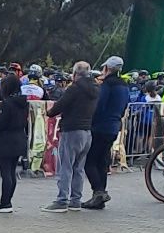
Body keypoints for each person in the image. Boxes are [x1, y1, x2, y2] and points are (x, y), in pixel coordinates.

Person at [45, 61, 98, 211]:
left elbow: (59, 106)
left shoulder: (74, 89)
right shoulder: (96, 88)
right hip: (87, 131)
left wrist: (49, 112)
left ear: (75, 74)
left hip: (71, 130)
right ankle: (76, 200)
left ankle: (62, 200)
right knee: (79, 168)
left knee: (65, 166)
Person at [81, 56, 131, 211]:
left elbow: (99, 105)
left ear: (107, 68)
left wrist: (91, 120)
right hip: (114, 126)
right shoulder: (124, 86)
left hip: (101, 126)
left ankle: (98, 192)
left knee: (89, 161)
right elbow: (125, 106)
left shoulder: (107, 85)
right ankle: (100, 197)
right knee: (102, 161)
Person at [0, 68, 30, 212]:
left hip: (6, 139)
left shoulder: (7, 104)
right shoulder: (24, 103)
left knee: (6, 172)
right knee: (12, 172)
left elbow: (1, 124)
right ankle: (7, 200)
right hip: (19, 137)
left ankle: (5, 202)